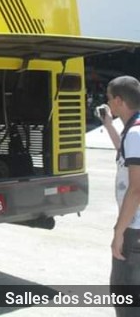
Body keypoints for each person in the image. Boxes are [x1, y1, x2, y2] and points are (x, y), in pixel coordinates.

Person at [97, 76, 140, 314]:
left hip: (135, 228)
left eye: (109, 99)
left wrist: (119, 232)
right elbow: (125, 153)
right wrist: (109, 123)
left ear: (119, 100)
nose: (109, 104)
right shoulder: (133, 130)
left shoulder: (135, 133)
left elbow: (136, 190)